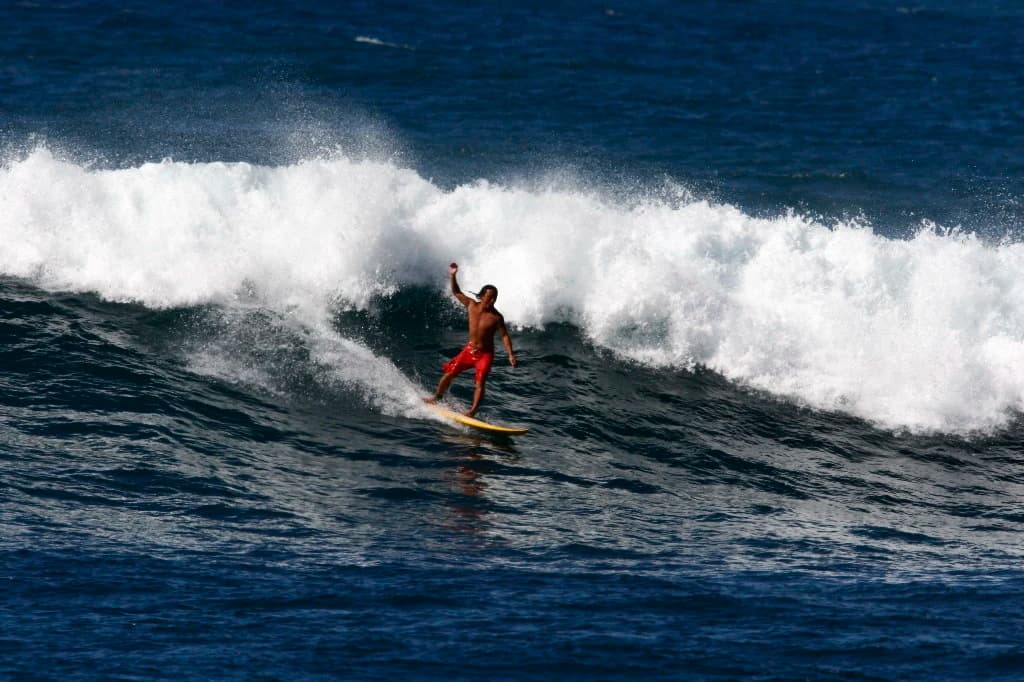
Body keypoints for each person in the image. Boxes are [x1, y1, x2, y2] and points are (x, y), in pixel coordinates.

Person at [425, 262, 517, 417]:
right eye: (489, 298)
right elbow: (456, 292)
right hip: (469, 350)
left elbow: (504, 336)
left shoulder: (496, 317)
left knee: (480, 382)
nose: (492, 301)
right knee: (449, 373)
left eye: (494, 298)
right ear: (481, 296)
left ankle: (472, 411)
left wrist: (510, 354)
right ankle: (437, 397)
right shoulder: (471, 305)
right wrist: (453, 275)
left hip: (485, 354)